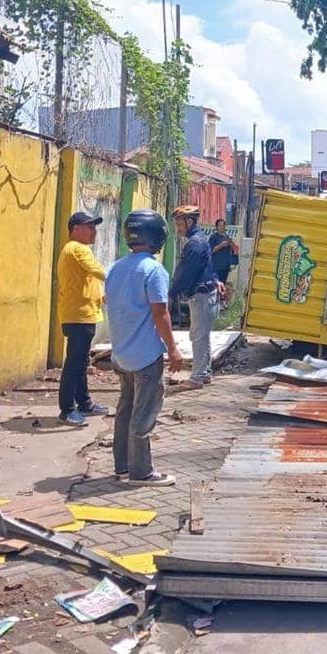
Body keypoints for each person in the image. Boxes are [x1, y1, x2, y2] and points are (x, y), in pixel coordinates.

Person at [105, 210, 184, 486]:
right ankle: (141, 472)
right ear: (157, 236)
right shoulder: (153, 270)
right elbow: (160, 312)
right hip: (146, 356)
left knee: (125, 409)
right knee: (144, 412)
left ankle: (122, 467)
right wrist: (172, 348)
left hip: (122, 354)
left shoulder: (114, 268)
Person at [55, 211, 109, 427]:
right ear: (75, 229)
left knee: (80, 361)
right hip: (78, 315)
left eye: (94, 227)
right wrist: (124, 276)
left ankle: (84, 403)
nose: (94, 231)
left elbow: (87, 280)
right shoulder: (78, 248)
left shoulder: (74, 249)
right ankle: (67, 409)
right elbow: (98, 272)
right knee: (74, 363)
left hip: (80, 313)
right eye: (89, 227)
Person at [169, 206, 219, 390]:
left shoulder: (195, 244)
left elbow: (186, 272)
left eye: (179, 223)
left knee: (198, 336)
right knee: (203, 336)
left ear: (189, 222)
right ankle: (204, 374)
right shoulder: (198, 240)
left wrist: (173, 292)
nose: (178, 228)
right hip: (205, 294)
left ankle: (197, 378)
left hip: (201, 296)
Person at [209, 218, 238, 285]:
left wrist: (231, 245)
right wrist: (221, 245)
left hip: (225, 267)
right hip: (216, 267)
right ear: (216, 227)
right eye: (220, 225)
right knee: (215, 286)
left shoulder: (226, 236)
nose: (222, 227)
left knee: (222, 286)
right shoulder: (213, 237)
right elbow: (211, 250)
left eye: (223, 225)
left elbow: (232, 250)